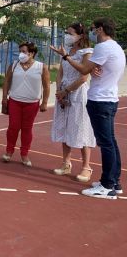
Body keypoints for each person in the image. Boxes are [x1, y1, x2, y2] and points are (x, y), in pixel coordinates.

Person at [52, 17, 125, 200]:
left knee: (105, 143)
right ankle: (114, 182)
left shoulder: (102, 47)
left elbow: (84, 70)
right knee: (110, 142)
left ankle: (107, 185)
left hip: (100, 100)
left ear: (100, 29)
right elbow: (93, 69)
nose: (92, 33)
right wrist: (92, 68)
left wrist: (67, 57)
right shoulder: (114, 47)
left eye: (93, 29)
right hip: (107, 98)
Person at [51, 23, 96, 182]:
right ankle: (66, 163)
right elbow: (60, 73)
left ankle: (86, 167)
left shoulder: (88, 52)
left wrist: (67, 90)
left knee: (81, 127)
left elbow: (84, 76)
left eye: (70, 33)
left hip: (78, 94)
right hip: (63, 94)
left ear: (80, 35)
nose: (66, 35)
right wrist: (59, 91)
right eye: (66, 32)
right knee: (64, 127)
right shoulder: (67, 51)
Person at [1, 42, 50, 166]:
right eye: (20, 51)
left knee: (27, 129)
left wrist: (44, 102)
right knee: (13, 127)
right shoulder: (14, 65)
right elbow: (6, 81)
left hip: (32, 103)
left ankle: (24, 154)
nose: (21, 54)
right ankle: (9, 151)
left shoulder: (41, 67)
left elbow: (46, 85)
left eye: (24, 51)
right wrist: (4, 98)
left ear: (32, 53)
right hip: (15, 101)